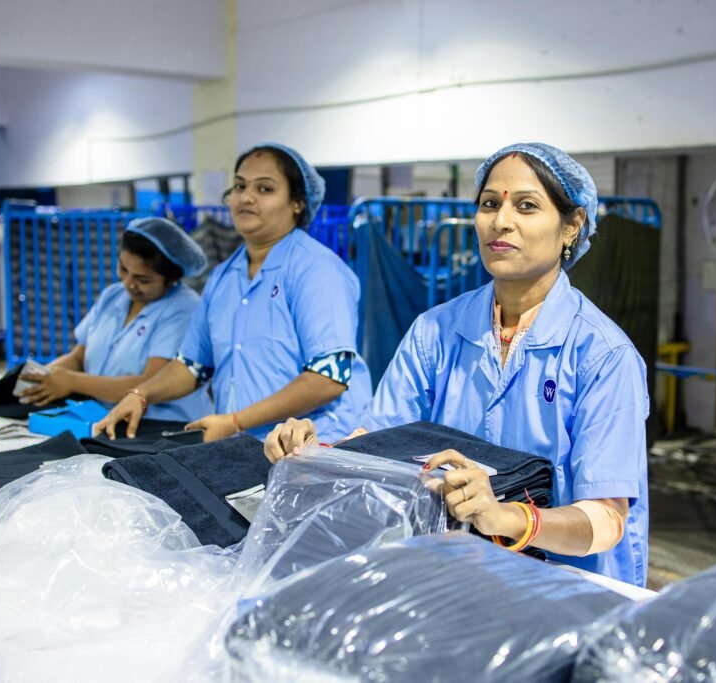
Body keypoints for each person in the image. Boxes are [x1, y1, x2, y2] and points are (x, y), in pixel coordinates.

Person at [265, 142, 649, 587]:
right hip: (453, 570)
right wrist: (317, 454)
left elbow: (606, 520)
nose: (501, 221)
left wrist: (506, 517)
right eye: (489, 204)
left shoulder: (601, 355)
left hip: (566, 586)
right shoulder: (434, 333)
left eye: (526, 206)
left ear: (572, 226)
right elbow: (379, 443)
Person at [94, 143, 372, 443]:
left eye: (264, 189)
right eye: (239, 186)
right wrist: (140, 394)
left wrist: (236, 421)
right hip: (246, 446)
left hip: (316, 444)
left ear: (297, 203)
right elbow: (192, 366)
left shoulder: (317, 270)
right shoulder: (223, 278)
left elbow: (327, 379)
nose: (246, 197)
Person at [17, 217, 212, 422]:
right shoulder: (113, 296)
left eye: (143, 279)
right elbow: (78, 358)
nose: (129, 284)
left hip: (162, 425)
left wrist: (72, 382)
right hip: (105, 418)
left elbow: (150, 384)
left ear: (171, 279)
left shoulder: (184, 310)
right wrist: (43, 377)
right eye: (123, 270)